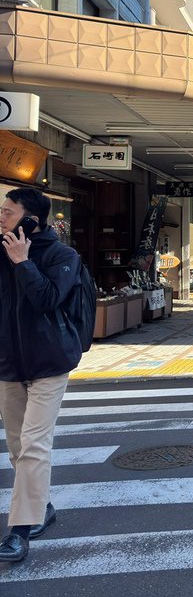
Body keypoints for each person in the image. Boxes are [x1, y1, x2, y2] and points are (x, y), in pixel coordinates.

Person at [0, 188, 85, 563]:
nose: (1, 217)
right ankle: (41, 506)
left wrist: (22, 262)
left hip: (49, 362)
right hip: (9, 363)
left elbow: (49, 299)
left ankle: (18, 532)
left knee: (34, 444)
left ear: (31, 219)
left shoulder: (63, 256)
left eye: (8, 212)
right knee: (18, 446)